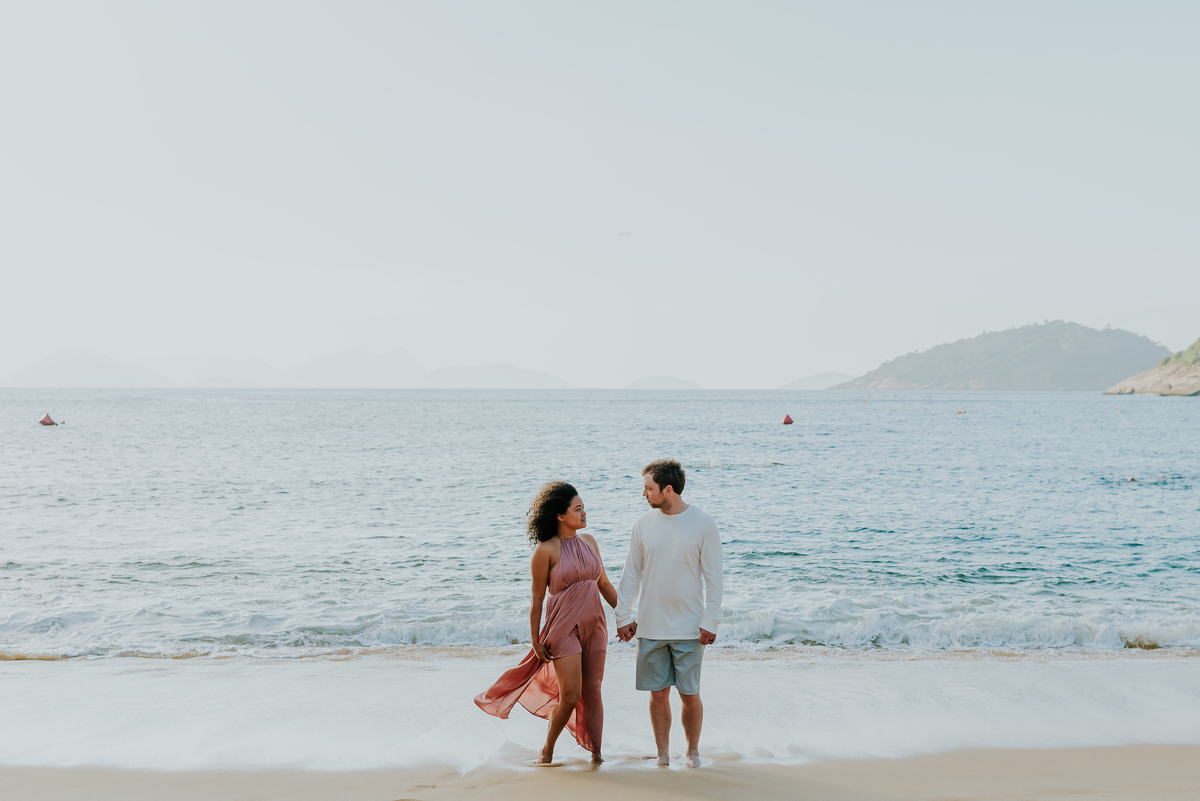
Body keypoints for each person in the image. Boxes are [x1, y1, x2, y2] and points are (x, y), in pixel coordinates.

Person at [475, 482, 618, 765]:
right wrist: (535, 639)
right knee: (570, 695)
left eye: (583, 508)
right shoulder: (545, 550)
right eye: (578, 509)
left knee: (593, 689)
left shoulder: (589, 542)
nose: (584, 513)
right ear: (560, 515)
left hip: (595, 624)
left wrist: (626, 616)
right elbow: (537, 599)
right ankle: (548, 749)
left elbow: (603, 582)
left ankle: (597, 754)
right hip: (562, 628)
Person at [615, 459, 723, 768]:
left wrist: (710, 621)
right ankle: (662, 754)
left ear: (668, 489)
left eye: (648, 488)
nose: (644, 494)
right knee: (658, 695)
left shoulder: (703, 523)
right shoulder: (643, 524)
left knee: (690, 695)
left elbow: (714, 578)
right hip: (650, 628)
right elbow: (631, 574)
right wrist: (623, 617)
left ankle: (692, 752)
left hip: (690, 629)